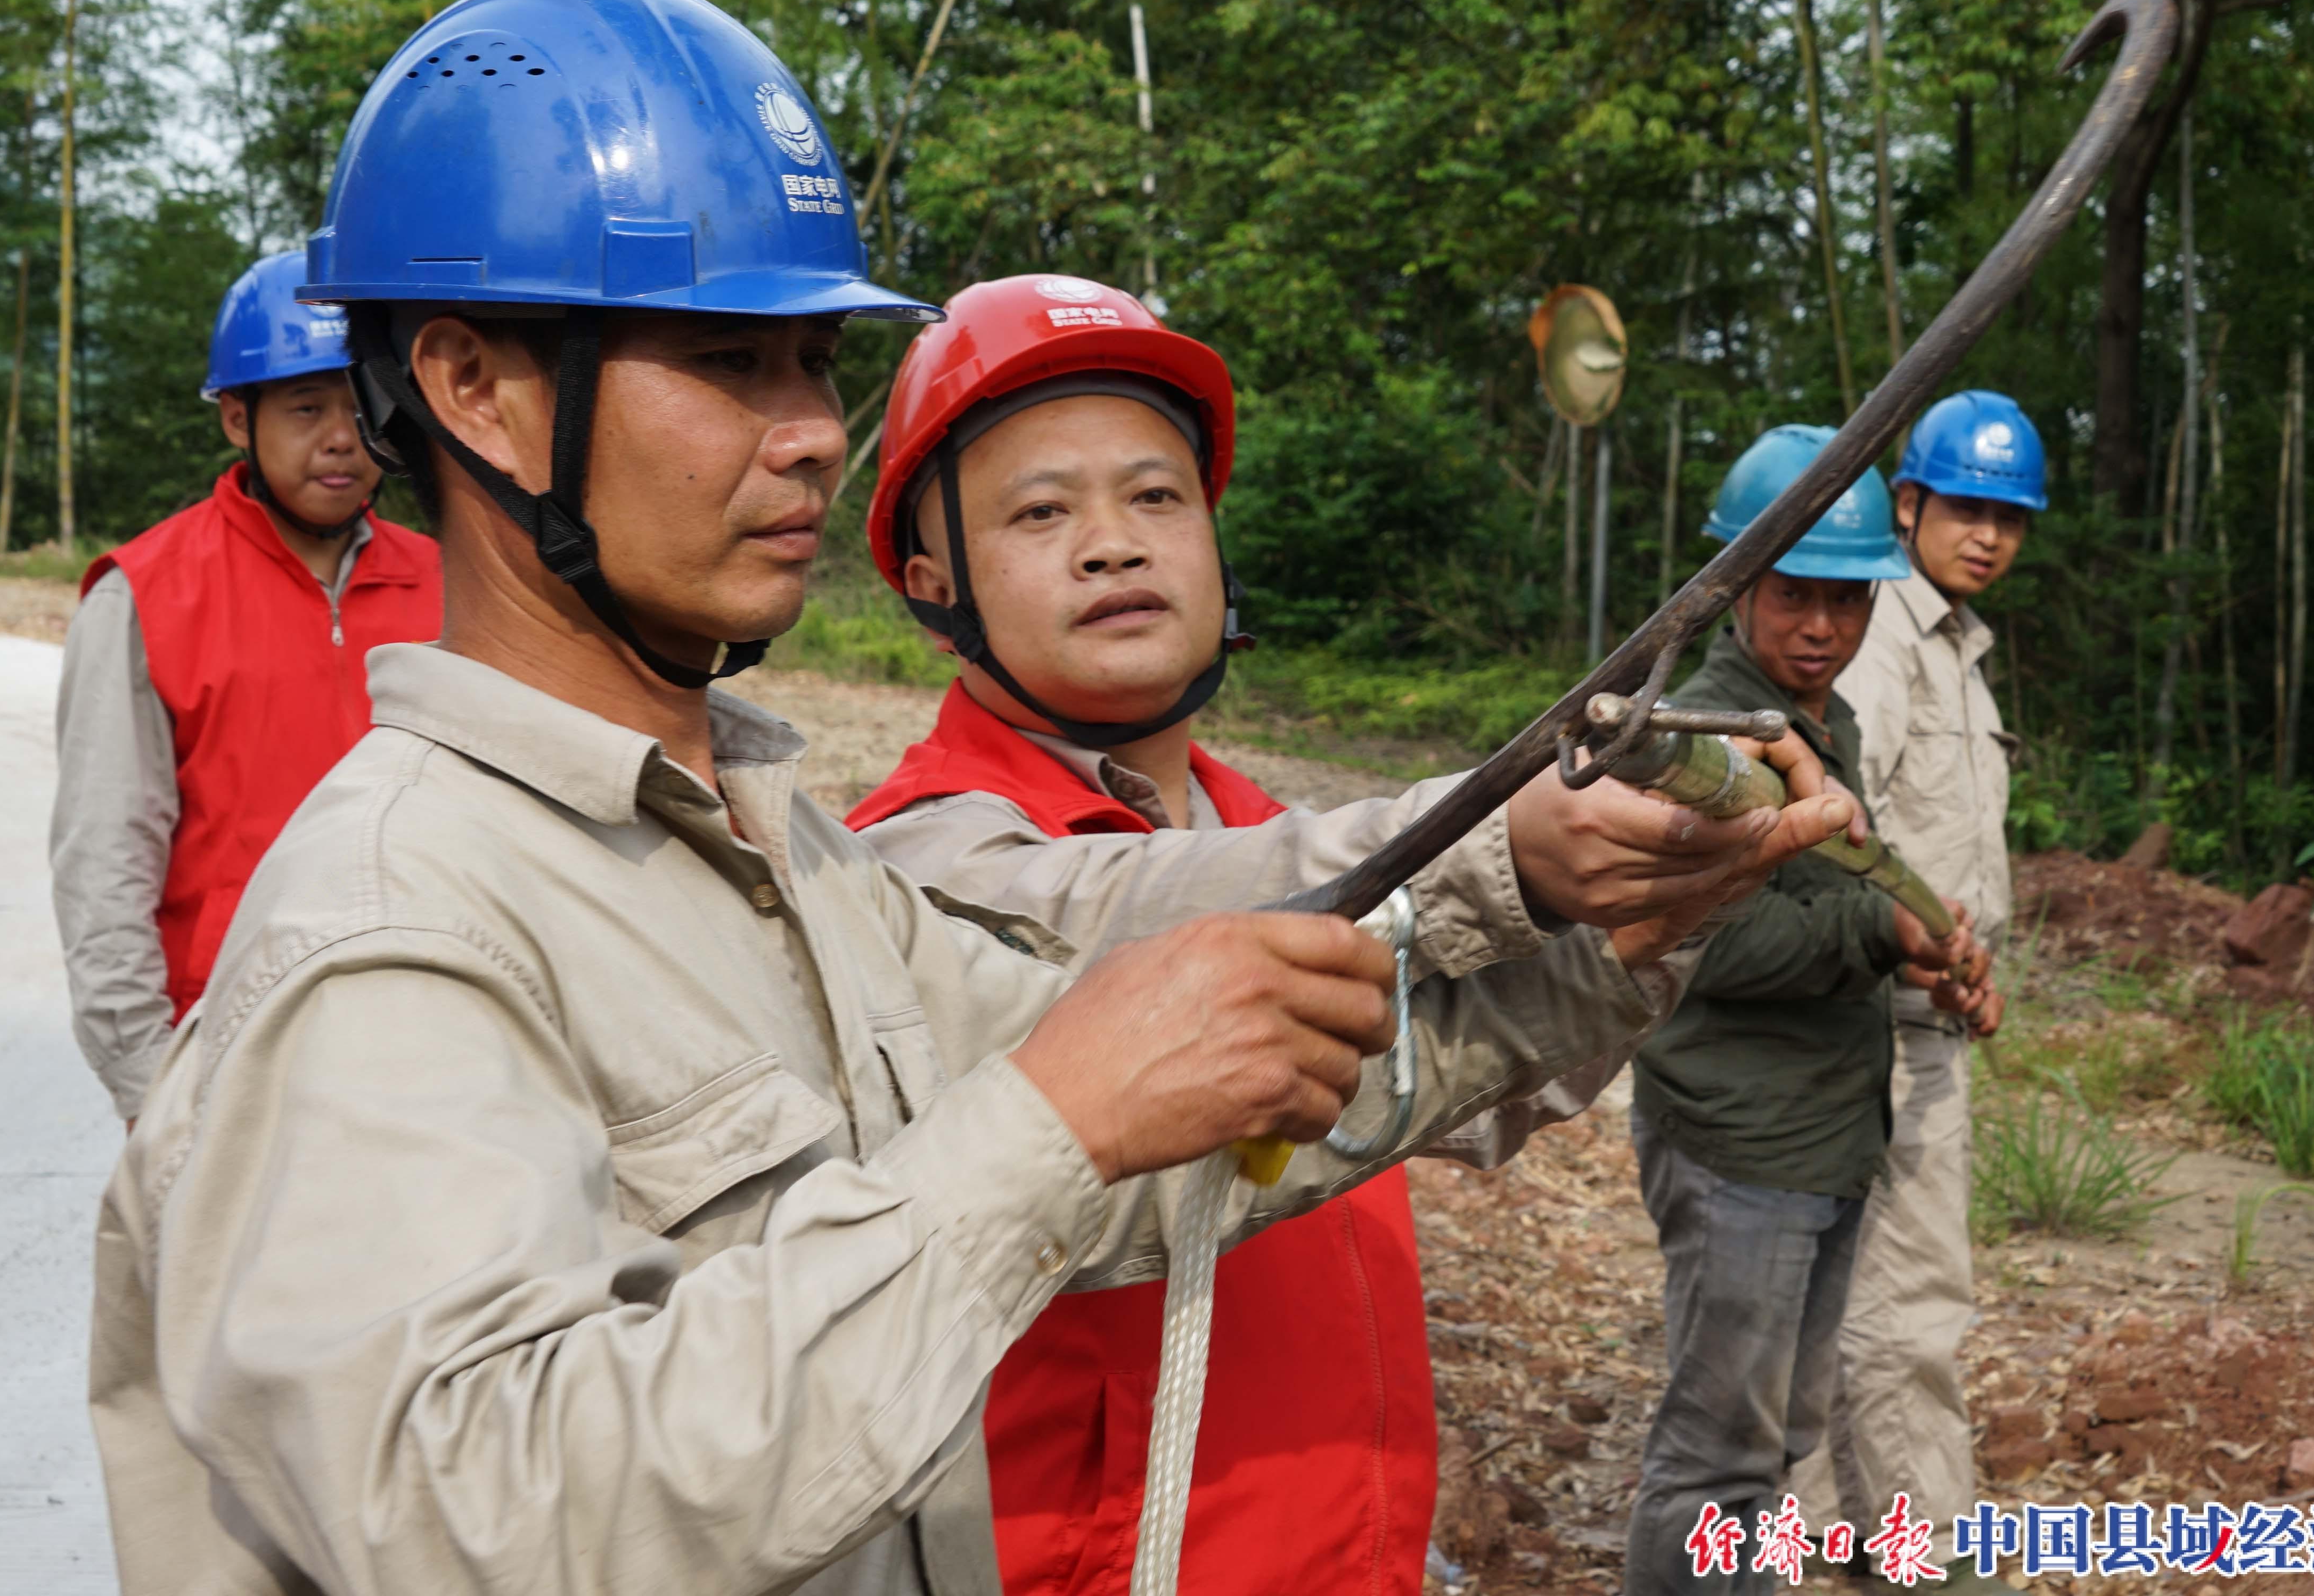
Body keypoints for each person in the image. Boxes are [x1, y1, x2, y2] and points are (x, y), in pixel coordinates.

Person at [86, 0, 1852, 1596]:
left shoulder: (776, 871)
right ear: (472, 387)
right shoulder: (400, 924)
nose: (808, 430)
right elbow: (467, 1520)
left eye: (812, 362)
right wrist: (1047, 1129)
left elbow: (1198, 1111)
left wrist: (1600, 942)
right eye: (728, 362)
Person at [844, 273, 1769, 1595]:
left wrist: (1658, 915)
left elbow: (1450, 1091)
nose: (1112, 544)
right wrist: (1498, 845)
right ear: (935, 584)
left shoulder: (1267, 825)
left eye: (1156, 496)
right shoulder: (918, 858)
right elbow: (1151, 909)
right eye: (1041, 511)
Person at [1621, 425, 1976, 1596]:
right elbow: (1704, 942)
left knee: (1778, 1442)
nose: (1822, 626)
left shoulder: (1822, 721)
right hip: (1744, 1141)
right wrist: (1883, 934)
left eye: (1847, 599)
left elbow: (1822, 902)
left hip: (1820, 1130)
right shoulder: (1712, 740)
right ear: (1737, 590)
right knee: (1716, 1453)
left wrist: (1910, 950)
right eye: (1793, 595)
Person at [50, 249, 440, 1123]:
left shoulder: (452, 587)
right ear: (237, 417)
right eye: (306, 408)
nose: (342, 438)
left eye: (362, 406)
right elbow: (105, 862)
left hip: (434, 1039)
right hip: (232, 1052)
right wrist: (150, 1086)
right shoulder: (145, 596)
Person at [1795, 390, 2034, 1576]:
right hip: (1887, 1011)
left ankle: (1812, 1525)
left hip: (1925, 999)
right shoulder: (1883, 637)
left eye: (2010, 518)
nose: (1988, 536)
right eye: (1967, 509)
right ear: (1908, 504)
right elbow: (1844, 831)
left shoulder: (1958, 648)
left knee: (1842, 1288)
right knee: (1913, 1294)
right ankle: (1927, 1551)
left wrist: (1974, 963)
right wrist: (1929, 951)